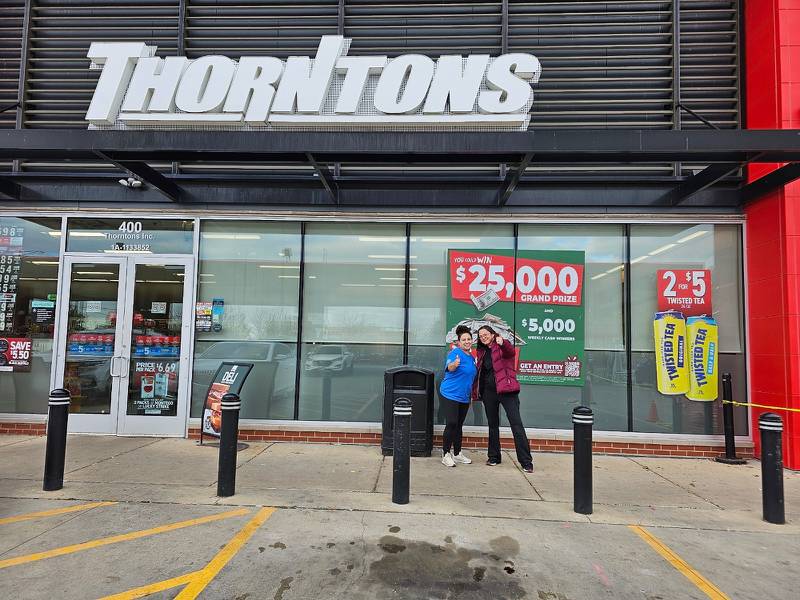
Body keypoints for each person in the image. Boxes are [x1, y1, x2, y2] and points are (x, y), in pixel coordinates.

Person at [473, 325, 534, 473]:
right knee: (493, 425)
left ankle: (526, 462)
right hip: (489, 393)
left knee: (516, 424)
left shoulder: (502, 345)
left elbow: (510, 352)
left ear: (493, 334)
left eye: (486, 334)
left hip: (507, 391)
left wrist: (503, 342)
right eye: (481, 336)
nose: (483, 337)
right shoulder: (481, 352)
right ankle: (494, 456)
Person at [438, 325, 477, 467]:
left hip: (464, 397)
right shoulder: (455, 354)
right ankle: (446, 454)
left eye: (469, 339)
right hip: (449, 394)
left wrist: (470, 396)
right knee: (452, 423)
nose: (467, 341)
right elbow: (450, 367)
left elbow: (470, 378)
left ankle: (457, 453)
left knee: (459, 425)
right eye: (463, 339)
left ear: (472, 341)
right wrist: (454, 364)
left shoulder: (472, 358)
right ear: (459, 343)